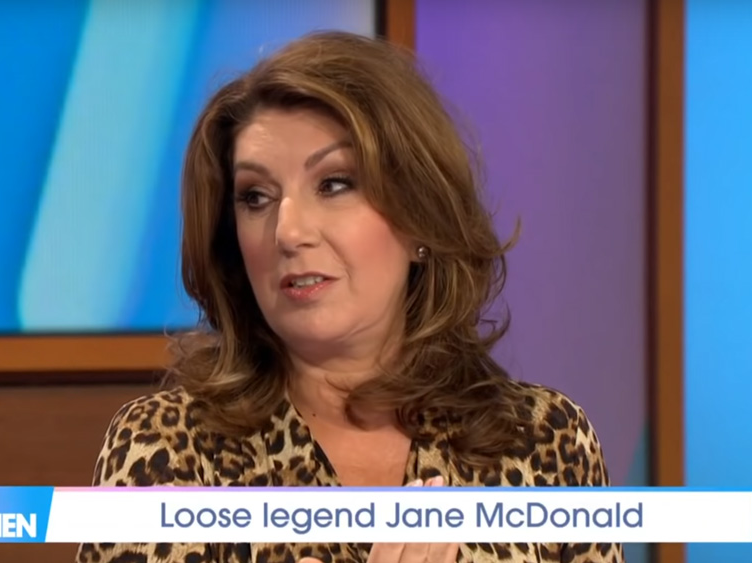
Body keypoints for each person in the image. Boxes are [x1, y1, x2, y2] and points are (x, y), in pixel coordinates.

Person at [76, 31, 624, 563]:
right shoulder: (168, 448)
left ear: (419, 217)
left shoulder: (544, 441)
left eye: (334, 184)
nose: (288, 231)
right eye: (256, 197)